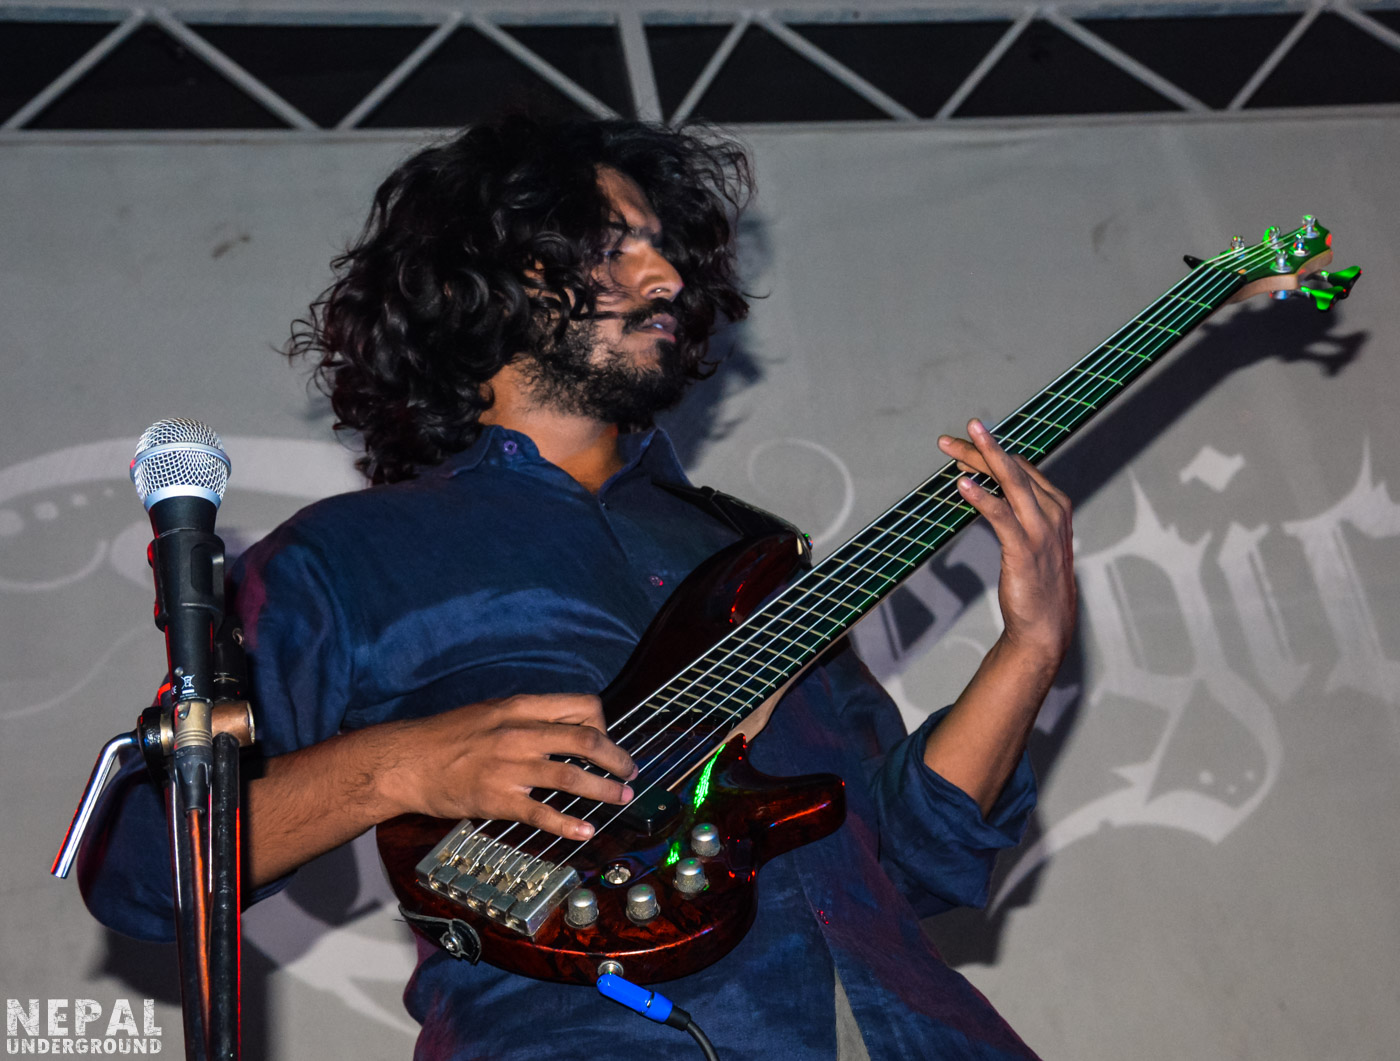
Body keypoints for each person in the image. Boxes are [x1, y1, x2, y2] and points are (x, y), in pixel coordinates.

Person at [81, 116, 1076, 1060]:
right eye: (617, 245)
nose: (666, 276)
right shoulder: (348, 553)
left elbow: (909, 855)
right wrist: (398, 769)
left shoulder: (752, 551)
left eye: (668, 251)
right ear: (489, 273)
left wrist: (1027, 647)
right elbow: (144, 863)